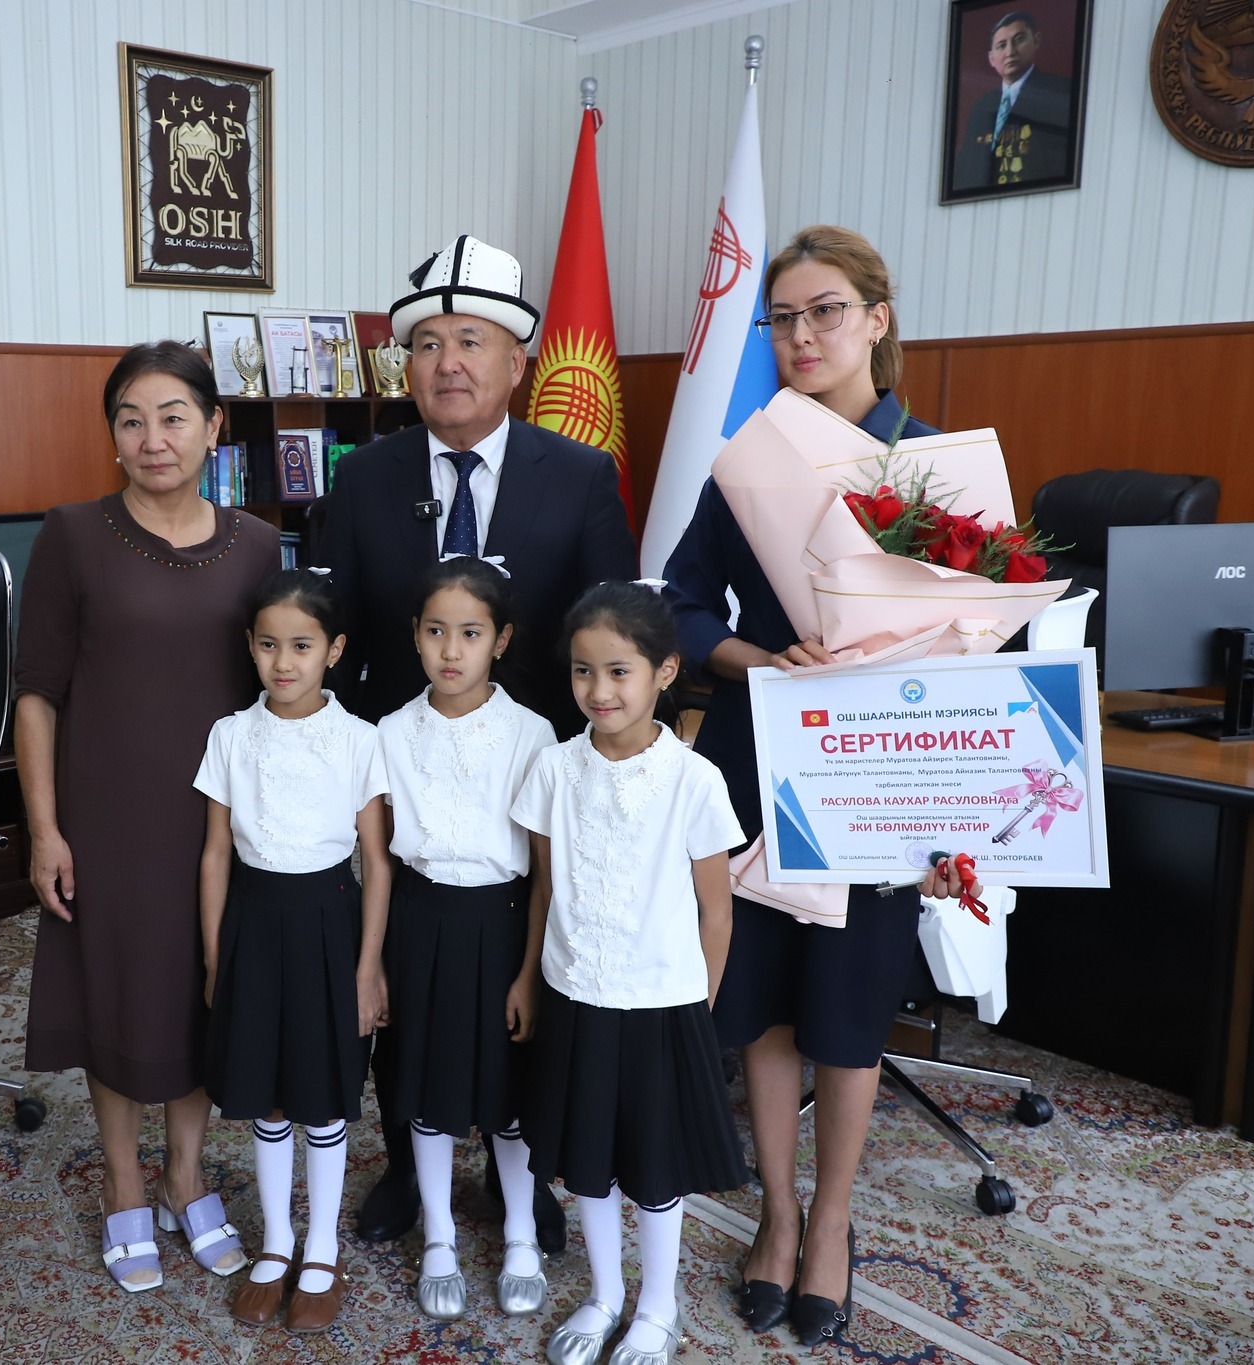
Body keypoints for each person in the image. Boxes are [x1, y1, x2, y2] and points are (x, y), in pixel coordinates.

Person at [663, 225, 980, 1348]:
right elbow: (682, 608)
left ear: (876, 320)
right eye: (783, 318)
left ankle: (833, 1219)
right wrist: (762, 661)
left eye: (825, 311)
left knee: (847, 1005)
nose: (801, 335)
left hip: (886, 771)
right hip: (759, 754)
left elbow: (983, 641)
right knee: (759, 998)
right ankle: (778, 1212)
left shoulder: (938, 467)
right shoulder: (748, 461)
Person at [321, 233, 638, 1247]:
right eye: (427, 345)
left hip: (536, 779)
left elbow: (615, 630)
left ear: (517, 362)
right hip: (402, 778)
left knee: (528, 982)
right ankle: (405, 1164)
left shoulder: (580, 475)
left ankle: (521, 1176)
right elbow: (332, 635)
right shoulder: (363, 476)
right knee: (402, 982)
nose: (447, 363)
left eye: (470, 341)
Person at [16, 340, 279, 1294]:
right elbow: (37, 694)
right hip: (109, 815)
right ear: (113, 436)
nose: (152, 438)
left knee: (203, 986)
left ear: (213, 427)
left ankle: (186, 1172)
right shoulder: (72, 534)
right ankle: (124, 1180)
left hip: (218, 821)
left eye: (173, 417)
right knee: (118, 991)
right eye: (131, 420)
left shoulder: (257, 544)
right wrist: (44, 829)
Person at [513, 581, 747, 1365]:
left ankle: (656, 1305)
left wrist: (697, 1009)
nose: (599, 689)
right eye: (583, 670)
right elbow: (544, 886)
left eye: (619, 671)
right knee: (589, 1160)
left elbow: (716, 912)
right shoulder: (553, 767)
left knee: (651, 1163)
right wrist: (529, 977)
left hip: (661, 1003)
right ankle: (604, 1293)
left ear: (663, 671)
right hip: (576, 991)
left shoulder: (693, 780)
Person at [194, 568, 391, 1334]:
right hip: (252, 922)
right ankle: (275, 1243)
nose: (284, 661)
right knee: (267, 1094)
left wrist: (368, 967)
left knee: (321, 1093)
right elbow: (215, 853)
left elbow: (376, 861)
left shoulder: (360, 739)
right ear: (250, 645)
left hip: (327, 924)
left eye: (302, 645)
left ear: (333, 650)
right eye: (269, 644)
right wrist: (216, 957)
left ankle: (321, 1247)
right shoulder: (230, 734)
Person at [377, 554, 556, 1322]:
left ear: (501, 639)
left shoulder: (531, 733)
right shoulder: (390, 732)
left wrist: (528, 972)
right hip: (418, 922)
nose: (451, 650)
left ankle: (520, 1232)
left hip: (502, 922)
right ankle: (440, 1238)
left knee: (507, 1092)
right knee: (426, 1082)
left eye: (471, 633)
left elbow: (545, 871)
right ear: (415, 635)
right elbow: (377, 856)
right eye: (435, 631)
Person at [952, 9, 1073, 193]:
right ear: (991, 59)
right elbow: (965, 169)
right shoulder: (982, 106)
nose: (1010, 52)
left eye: (1019, 39)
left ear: (1036, 41)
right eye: (1001, 45)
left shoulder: (1060, 93)